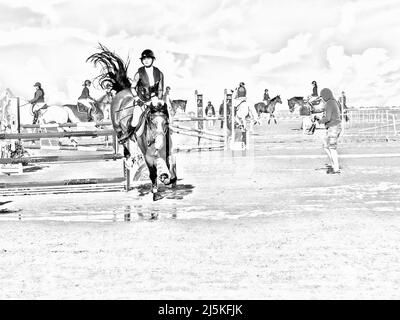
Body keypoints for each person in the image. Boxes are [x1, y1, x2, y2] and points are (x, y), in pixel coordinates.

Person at [118, 49, 165, 143]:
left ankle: (167, 131)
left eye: (148, 58)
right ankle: (128, 135)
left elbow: (160, 89)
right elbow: (132, 88)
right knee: (135, 120)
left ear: (152, 59)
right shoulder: (139, 73)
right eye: (144, 59)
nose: (146, 60)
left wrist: (159, 100)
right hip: (141, 100)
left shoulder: (159, 73)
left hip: (154, 99)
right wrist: (137, 98)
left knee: (162, 115)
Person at [315, 88, 342, 174]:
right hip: (334, 126)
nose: (322, 98)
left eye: (322, 96)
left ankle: (336, 168)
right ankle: (334, 166)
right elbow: (324, 110)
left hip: (333, 127)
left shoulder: (329, 103)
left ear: (325, 96)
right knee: (326, 146)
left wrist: (319, 121)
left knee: (332, 148)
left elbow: (327, 118)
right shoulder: (332, 102)